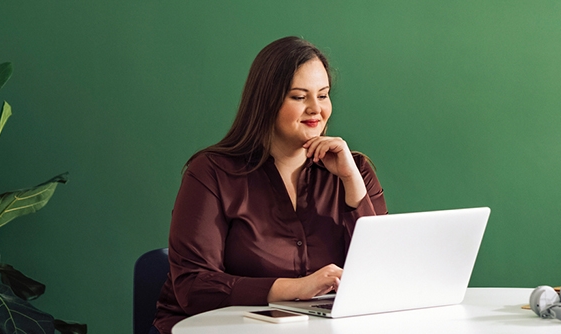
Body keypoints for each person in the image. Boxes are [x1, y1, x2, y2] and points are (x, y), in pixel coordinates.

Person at [152, 36, 388, 334]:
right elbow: (193, 286)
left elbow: (381, 278)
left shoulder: (354, 170)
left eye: (324, 95)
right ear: (266, 101)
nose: (316, 109)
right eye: (299, 97)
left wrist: (352, 184)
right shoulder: (211, 173)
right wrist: (294, 288)